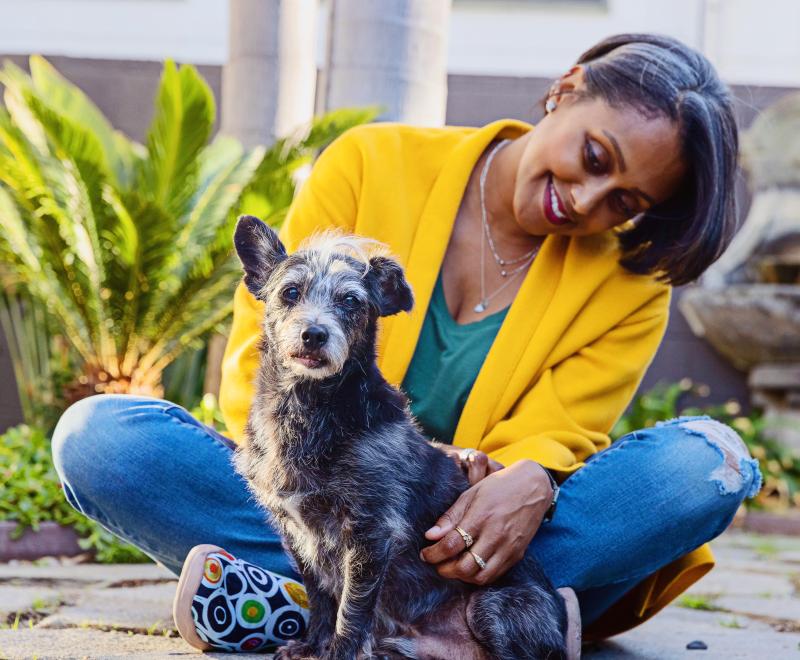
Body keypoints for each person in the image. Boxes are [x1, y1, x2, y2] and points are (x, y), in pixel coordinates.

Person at [51, 33, 762, 657]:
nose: (587, 200)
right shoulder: (371, 160)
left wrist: (530, 478)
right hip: (322, 502)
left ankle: (321, 612)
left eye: (624, 202)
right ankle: (423, 629)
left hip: (472, 552)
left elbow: (558, 436)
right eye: (594, 156)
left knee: (706, 464)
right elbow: (261, 363)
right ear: (566, 88)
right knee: (101, 440)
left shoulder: (628, 286)